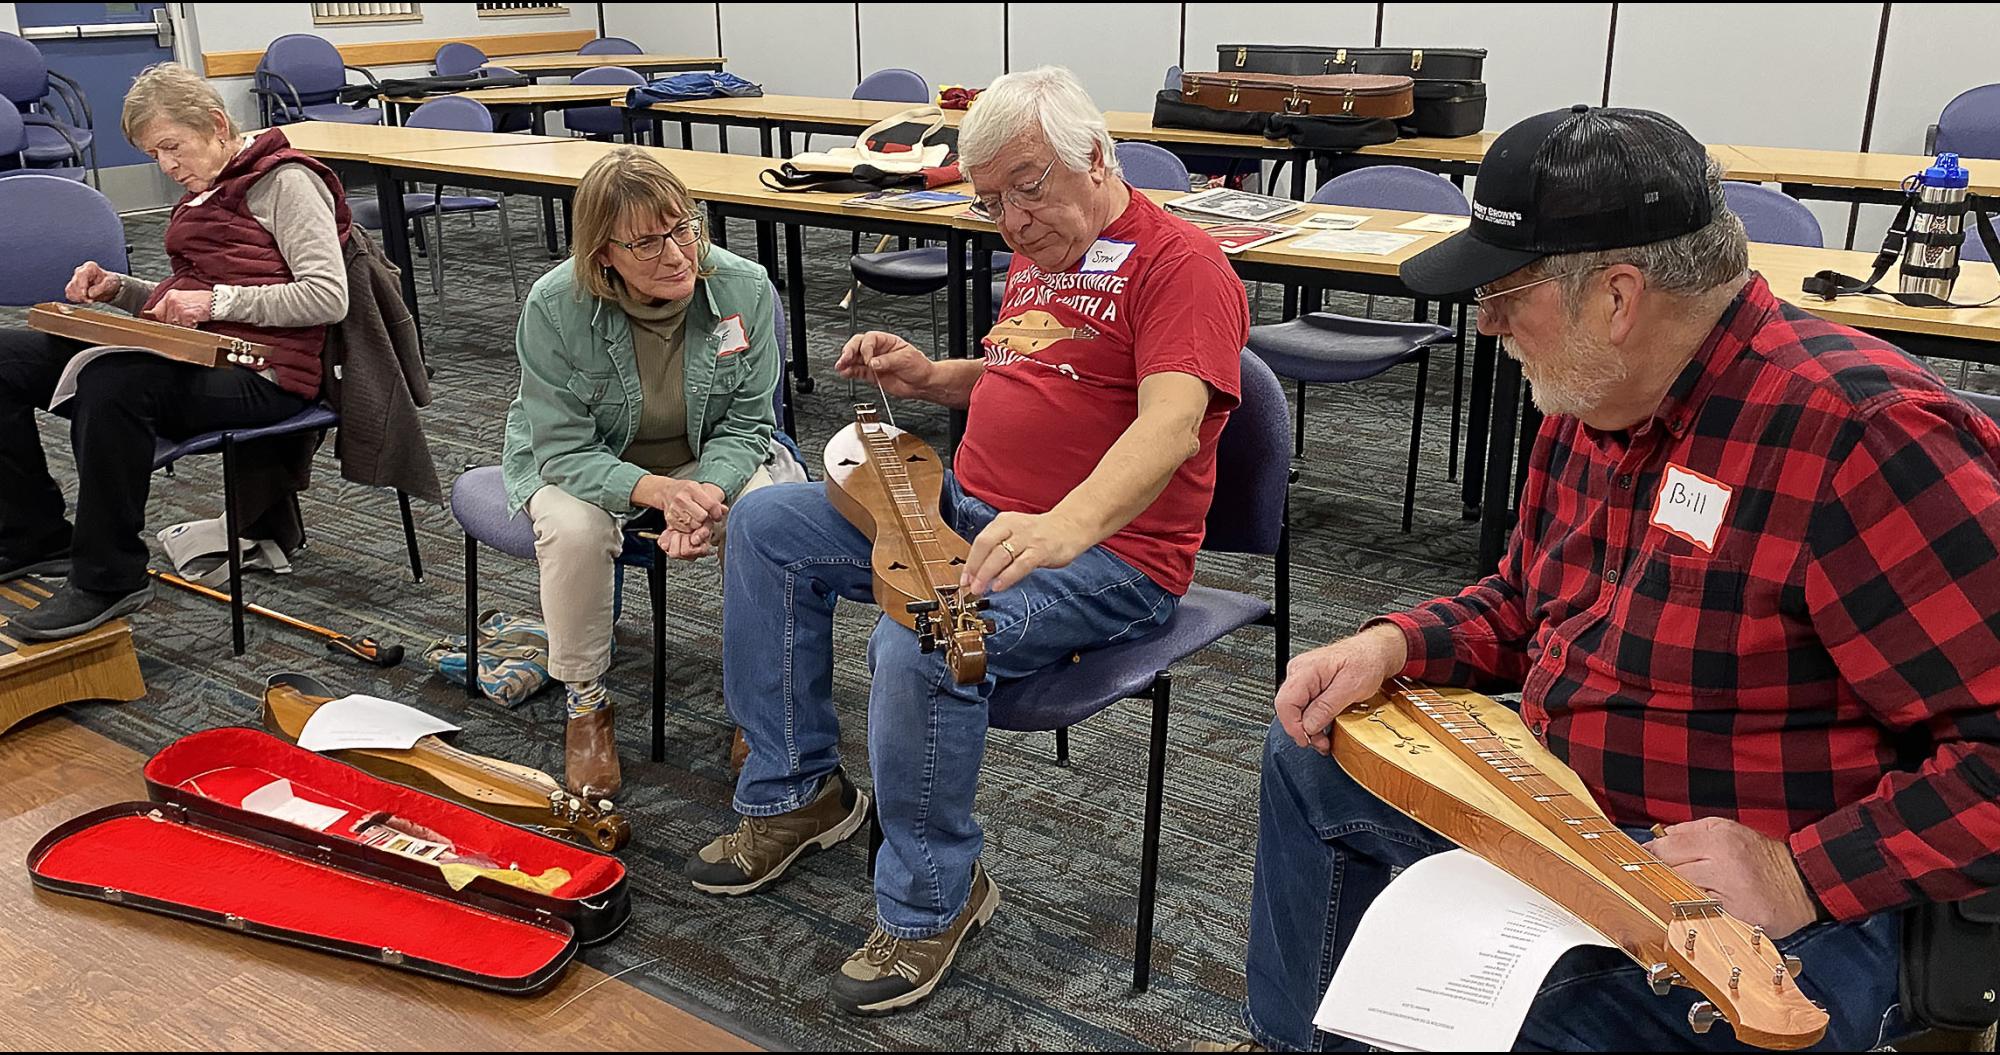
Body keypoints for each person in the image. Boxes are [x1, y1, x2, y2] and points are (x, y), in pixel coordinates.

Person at [1205, 105, 2000, 1052]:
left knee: (1508, 1026)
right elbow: (1530, 597)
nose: (1486, 319)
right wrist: (1396, 641)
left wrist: (1803, 873)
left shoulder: (1861, 439)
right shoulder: (1598, 392)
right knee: (1313, 754)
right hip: (1579, 826)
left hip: (1776, 900)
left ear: (1617, 297)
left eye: (1507, 290)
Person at [685, 66, 1250, 1014]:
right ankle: (796, 793)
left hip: (1110, 559)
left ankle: (932, 899)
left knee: (924, 631)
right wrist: (930, 376)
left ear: (1097, 156)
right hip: (969, 508)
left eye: (1029, 186)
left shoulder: (1180, 266)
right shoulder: (1044, 248)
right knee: (769, 524)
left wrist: (1064, 524)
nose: (1014, 220)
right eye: (991, 202)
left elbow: (1169, 425)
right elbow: (1025, 371)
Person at [0, 62, 349, 640]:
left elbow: (326, 297)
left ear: (216, 124)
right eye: (153, 155)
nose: (166, 166)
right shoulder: (209, 187)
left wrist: (213, 304)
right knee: (5, 359)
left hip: (264, 372)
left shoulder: (285, 181)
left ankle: (110, 576)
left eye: (171, 147)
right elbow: (184, 300)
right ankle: (33, 535)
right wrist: (120, 289)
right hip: (197, 351)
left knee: (114, 383)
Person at [499, 146, 783, 799]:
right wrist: (659, 493)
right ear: (604, 254)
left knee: (765, 517)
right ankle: (587, 703)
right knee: (572, 529)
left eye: (685, 227)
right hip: (584, 456)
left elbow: (747, 426)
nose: (679, 253)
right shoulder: (554, 305)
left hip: (704, 451)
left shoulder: (743, 286)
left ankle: (762, 702)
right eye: (649, 242)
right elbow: (563, 448)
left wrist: (706, 495)